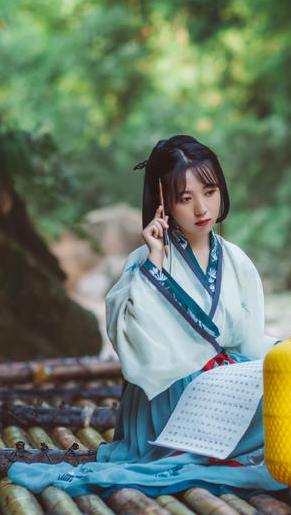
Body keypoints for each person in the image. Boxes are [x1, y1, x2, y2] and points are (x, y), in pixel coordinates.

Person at [97, 135, 277, 463]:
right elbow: (134, 348)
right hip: (168, 395)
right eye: (185, 198)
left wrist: (286, 354)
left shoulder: (237, 261)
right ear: (163, 201)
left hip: (225, 384)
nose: (201, 209)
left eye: (209, 192)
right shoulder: (143, 261)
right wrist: (155, 261)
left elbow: (249, 343)